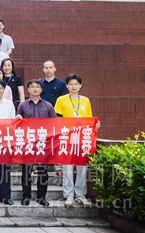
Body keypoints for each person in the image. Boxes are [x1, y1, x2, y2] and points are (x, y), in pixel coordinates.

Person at [54, 74, 100, 208]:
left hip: (82, 139)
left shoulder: (85, 100)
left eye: (76, 84)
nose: (73, 86)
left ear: (80, 85)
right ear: (66, 86)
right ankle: (68, 195)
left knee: (82, 167)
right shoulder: (61, 100)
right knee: (67, 168)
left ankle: (80, 195)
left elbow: (89, 119)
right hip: (67, 139)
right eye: (71, 84)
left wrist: (95, 125)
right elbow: (57, 120)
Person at [16, 79, 57, 207]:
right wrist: (18, 119)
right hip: (27, 143)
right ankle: (26, 196)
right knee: (26, 171)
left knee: (43, 171)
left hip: (43, 143)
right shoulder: (22, 105)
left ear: (41, 89)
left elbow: (55, 123)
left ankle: (41, 197)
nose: (35, 89)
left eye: (37, 87)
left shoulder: (48, 106)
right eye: (32, 87)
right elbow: (17, 124)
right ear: (28, 90)